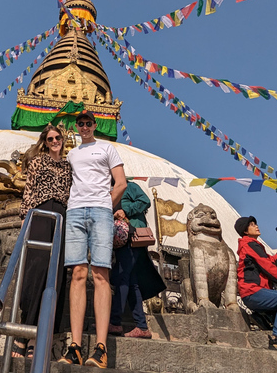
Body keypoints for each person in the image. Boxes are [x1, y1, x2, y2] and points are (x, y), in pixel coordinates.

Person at [59, 110, 127, 368]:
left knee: (100, 274)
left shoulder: (107, 148)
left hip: (100, 212)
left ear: (95, 125)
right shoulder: (71, 153)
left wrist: (104, 205)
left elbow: (120, 183)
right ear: (76, 127)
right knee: (77, 273)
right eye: (81, 123)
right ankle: (75, 346)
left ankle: (100, 347)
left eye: (88, 123)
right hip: (75, 210)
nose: (84, 126)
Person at [12, 124, 72, 359]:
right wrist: (26, 217)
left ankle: (39, 334)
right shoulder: (38, 161)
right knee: (35, 269)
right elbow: (29, 189)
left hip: (62, 216)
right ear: (45, 142)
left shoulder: (69, 166)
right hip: (40, 213)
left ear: (63, 140)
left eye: (58, 138)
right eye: (50, 139)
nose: (54, 141)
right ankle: (23, 330)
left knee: (55, 274)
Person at [234, 215, 277, 353]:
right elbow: (268, 267)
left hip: (258, 291)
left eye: (255, 223)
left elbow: (272, 261)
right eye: (252, 224)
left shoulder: (254, 246)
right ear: (245, 231)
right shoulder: (249, 244)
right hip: (252, 291)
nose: (256, 226)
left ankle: (263, 316)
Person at [108, 182, 165, 339]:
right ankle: (142, 326)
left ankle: (114, 322)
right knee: (131, 282)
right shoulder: (106, 190)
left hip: (132, 236)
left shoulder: (128, 186)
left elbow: (144, 200)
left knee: (122, 277)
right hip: (119, 239)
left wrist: (124, 210)